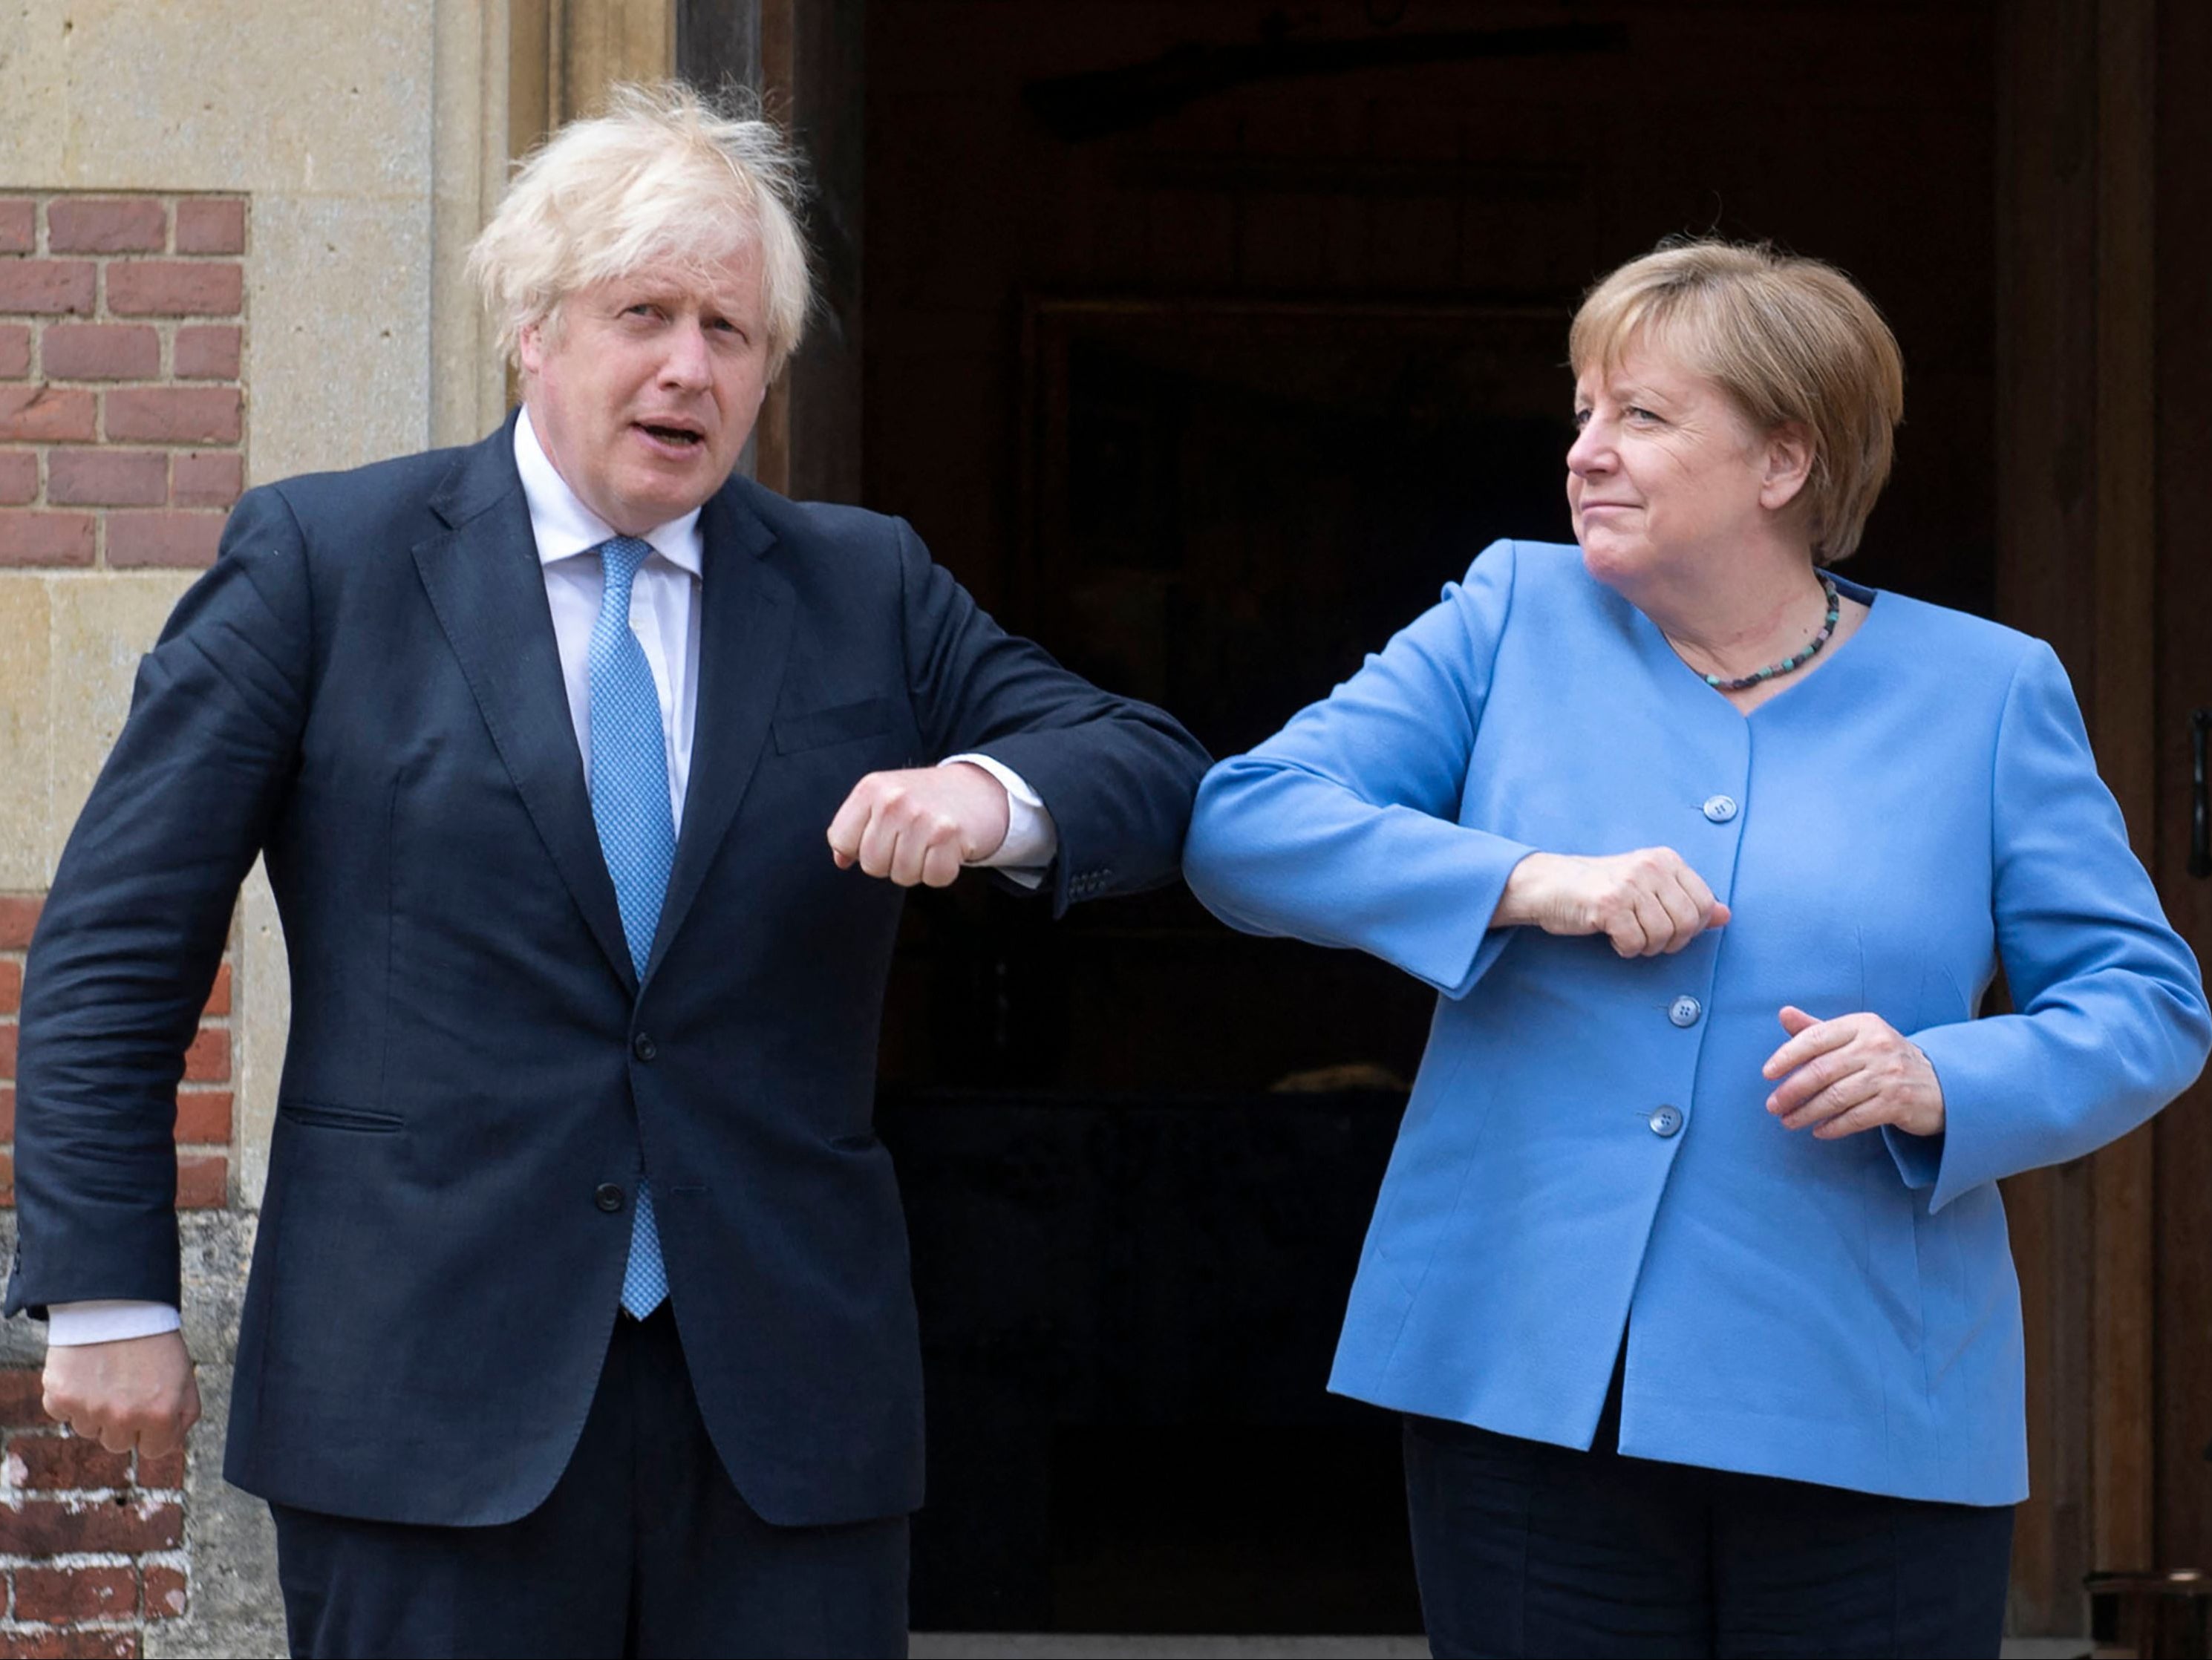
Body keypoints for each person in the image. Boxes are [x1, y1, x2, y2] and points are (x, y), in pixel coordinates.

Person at [10, 82, 1207, 1659]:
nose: (687, 367)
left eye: (731, 329)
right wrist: (107, 1285)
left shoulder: (863, 585)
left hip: (780, 1408)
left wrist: (992, 792)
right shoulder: (329, 562)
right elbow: (119, 936)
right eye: (643, 312)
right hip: (424, 1397)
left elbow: (1149, 764)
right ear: (533, 324)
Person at [1181, 239, 2210, 1659]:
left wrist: (1943, 1078)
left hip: (1870, 1397)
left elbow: (2146, 1003)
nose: (1585, 454)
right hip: (1529, 1383)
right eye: (1584, 412)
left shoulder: (1988, 690)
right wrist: (1526, 880)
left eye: (1641, 419)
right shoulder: (1512, 615)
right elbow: (1246, 826)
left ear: (1785, 463)